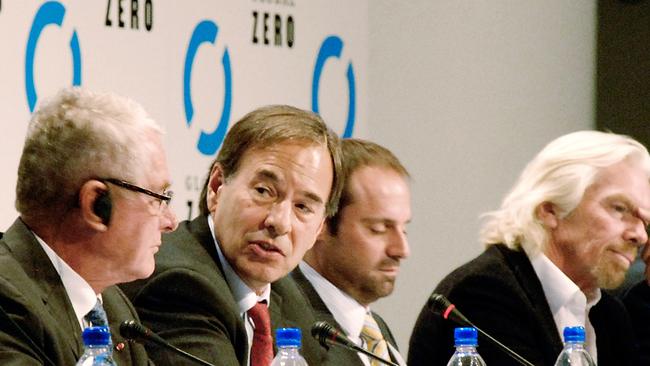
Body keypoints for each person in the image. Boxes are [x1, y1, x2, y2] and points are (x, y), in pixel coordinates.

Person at [122, 105, 344, 366]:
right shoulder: (179, 285)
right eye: (263, 191)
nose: (280, 223)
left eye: (303, 207)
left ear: (319, 228)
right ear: (217, 187)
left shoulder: (290, 297)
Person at [408, 130, 649, 366]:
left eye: (645, 222)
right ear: (550, 209)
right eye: (619, 209)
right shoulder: (484, 294)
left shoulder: (609, 314)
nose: (638, 235)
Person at [0, 87, 178, 365]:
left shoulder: (114, 306)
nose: (171, 222)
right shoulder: (7, 303)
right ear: (96, 205)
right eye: (158, 199)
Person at [291, 138, 410, 366]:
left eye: (404, 229)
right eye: (378, 229)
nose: (402, 250)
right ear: (322, 224)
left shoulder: (373, 329)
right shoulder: (286, 327)